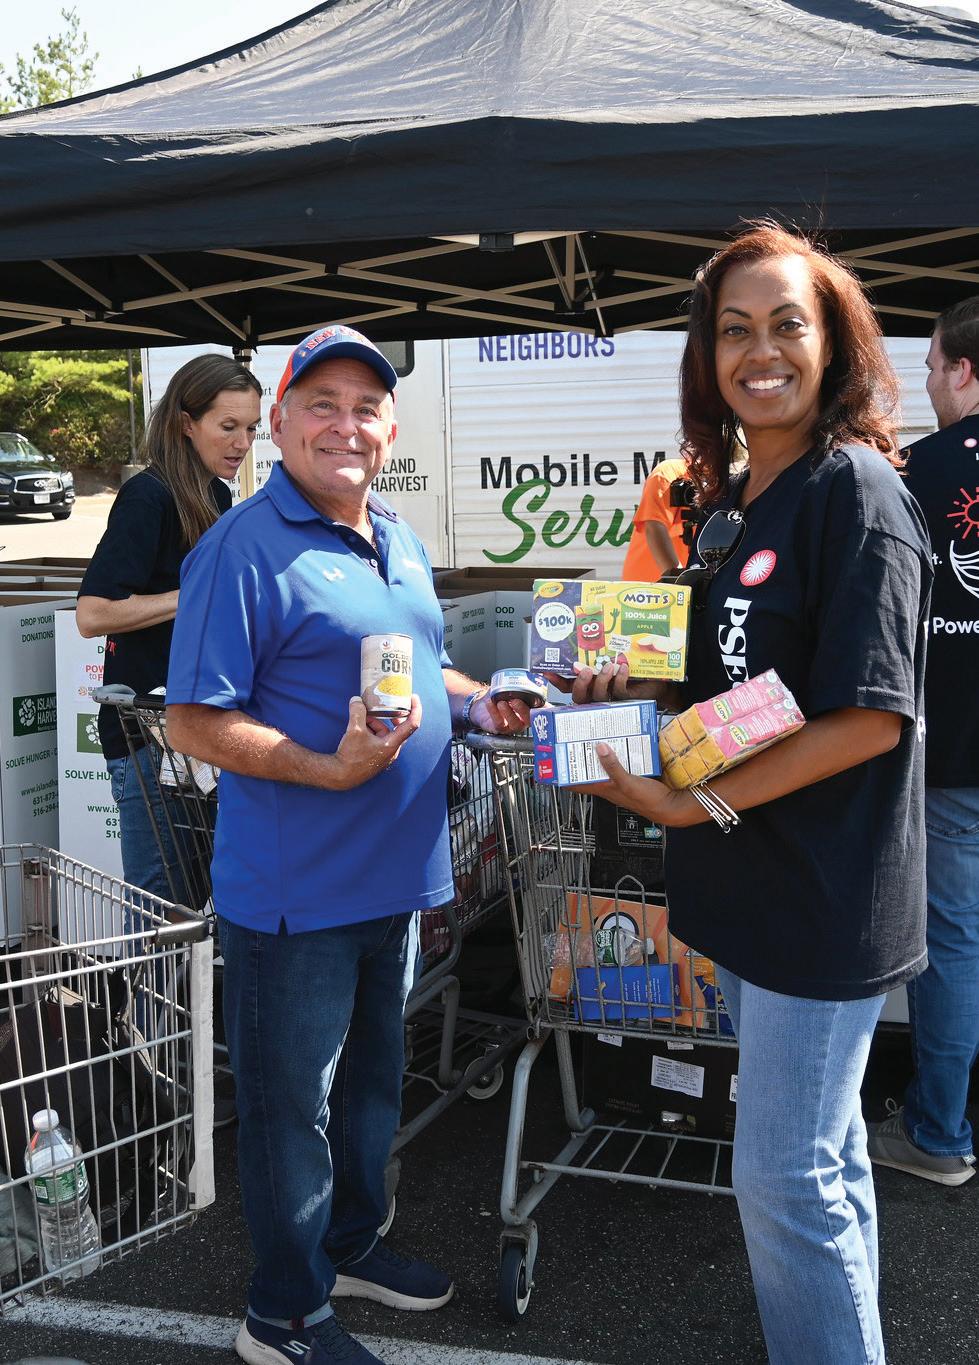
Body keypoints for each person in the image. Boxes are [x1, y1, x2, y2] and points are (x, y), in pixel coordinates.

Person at [560, 224, 931, 1365]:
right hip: (762, 889)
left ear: (833, 345)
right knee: (822, 1167)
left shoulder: (854, 490)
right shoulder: (736, 500)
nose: (758, 351)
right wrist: (618, 676)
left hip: (823, 895)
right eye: (733, 329)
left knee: (782, 1178)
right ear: (705, 355)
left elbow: (869, 716)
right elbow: (729, 681)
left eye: (786, 324)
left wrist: (695, 806)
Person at [164, 324, 530, 1365]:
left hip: (396, 881)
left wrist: (480, 703)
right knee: (294, 1111)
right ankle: (281, 1314)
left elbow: (420, 669)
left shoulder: (396, 537)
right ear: (280, 423)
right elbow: (194, 722)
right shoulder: (240, 548)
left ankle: (351, 1243)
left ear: (390, 428)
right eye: (320, 404)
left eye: (365, 406)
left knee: (371, 1089)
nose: (344, 424)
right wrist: (327, 769)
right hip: (295, 896)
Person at [76, 354, 262, 907]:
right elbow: (93, 613)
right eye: (228, 426)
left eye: (252, 428)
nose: (242, 443)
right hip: (145, 739)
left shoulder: (216, 494)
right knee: (158, 914)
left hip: (196, 734)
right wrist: (196, 595)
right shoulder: (148, 495)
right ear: (186, 423)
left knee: (192, 904)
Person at [867, 298, 979, 1187]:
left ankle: (939, 1131)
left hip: (952, 757)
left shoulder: (913, 472)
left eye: (935, 366)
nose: (930, 382)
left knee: (952, 941)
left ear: (963, 371)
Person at [621, 455, 692, 579]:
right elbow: (654, 527)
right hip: (647, 587)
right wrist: (679, 581)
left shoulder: (726, 486)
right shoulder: (670, 471)